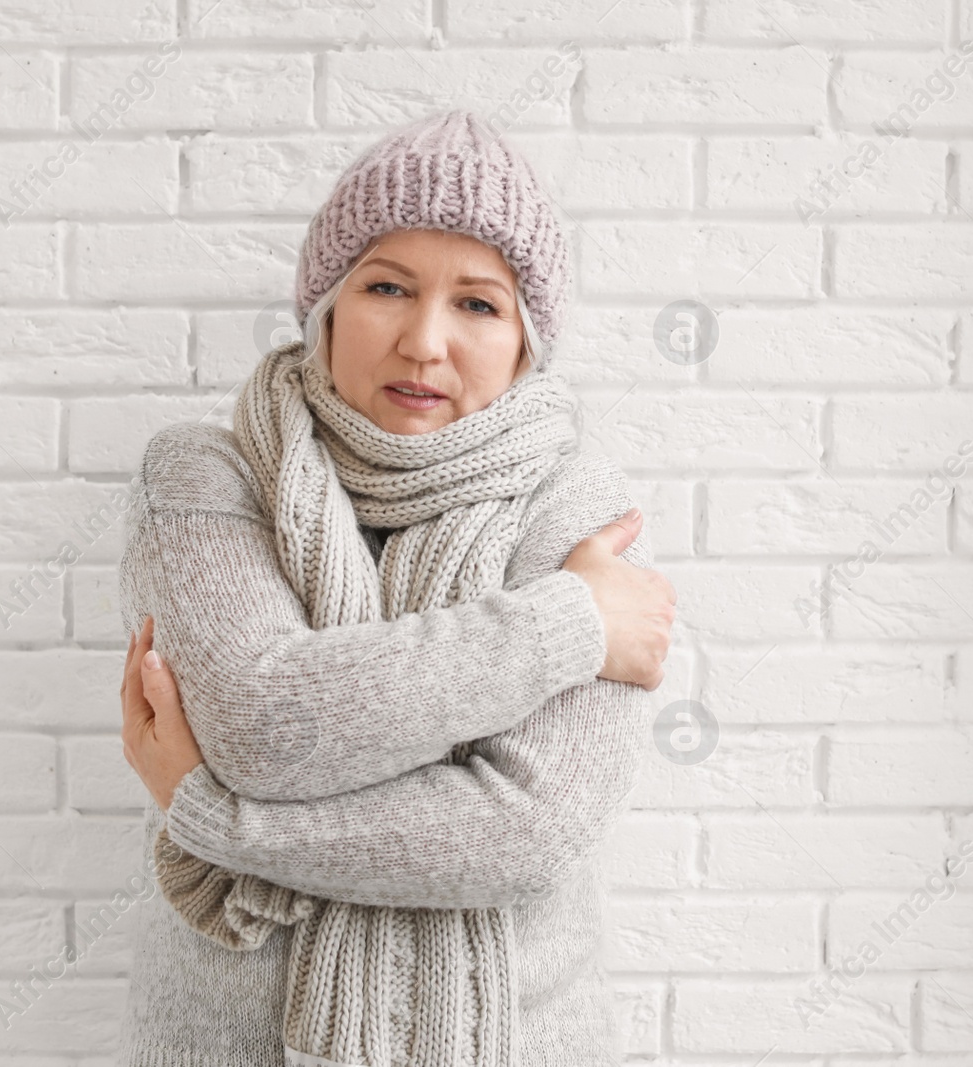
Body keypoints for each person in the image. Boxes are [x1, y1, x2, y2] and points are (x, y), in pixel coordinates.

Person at [116, 108, 677, 1067]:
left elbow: (523, 830)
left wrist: (219, 818)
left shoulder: (575, 513)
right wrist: (567, 622)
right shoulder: (205, 480)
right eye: (387, 287)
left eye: (478, 304)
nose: (424, 342)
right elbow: (261, 721)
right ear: (325, 306)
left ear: (526, 342)